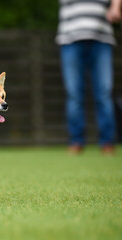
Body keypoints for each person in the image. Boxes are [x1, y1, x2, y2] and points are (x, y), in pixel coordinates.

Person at [56, 0, 121, 155]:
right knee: (73, 93)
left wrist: (115, 6)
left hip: (102, 37)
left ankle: (107, 142)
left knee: (104, 92)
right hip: (70, 37)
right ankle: (76, 141)